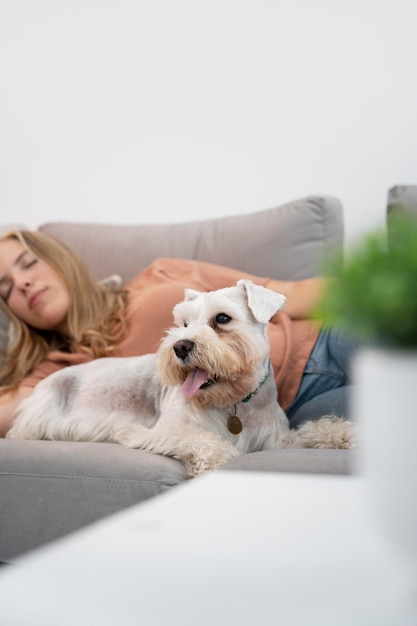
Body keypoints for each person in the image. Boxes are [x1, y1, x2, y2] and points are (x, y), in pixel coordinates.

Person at [0, 230, 360, 438]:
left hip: (325, 337)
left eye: (28, 263)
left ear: (60, 258)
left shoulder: (160, 273)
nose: (23, 283)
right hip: (290, 406)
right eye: (6, 288)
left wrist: (381, 292)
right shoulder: (58, 370)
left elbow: (291, 294)